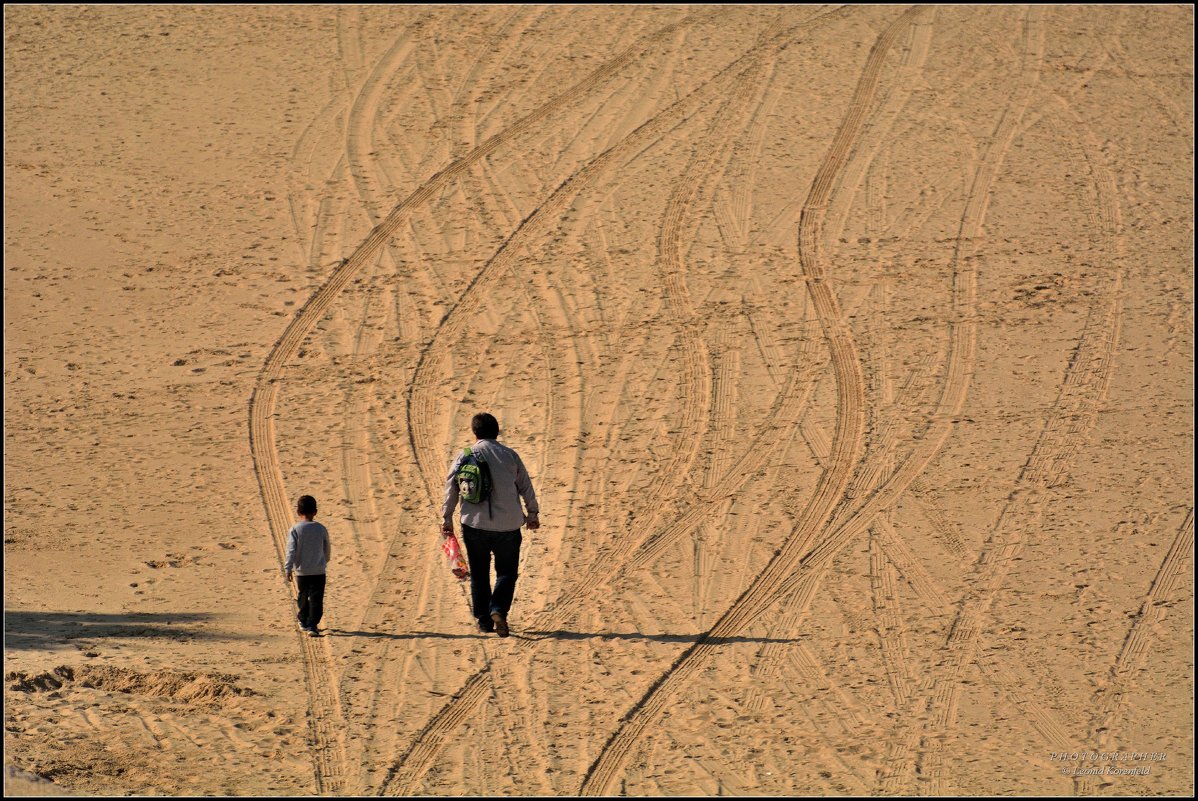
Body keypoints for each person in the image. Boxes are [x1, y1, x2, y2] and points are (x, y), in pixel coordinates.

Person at [442, 412, 539, 637]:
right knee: (506, 572)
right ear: (497, 432)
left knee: (479, 573)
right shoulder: (510, 455)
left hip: (474, 525)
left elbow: (451, 489)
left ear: (475, 432)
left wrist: (446, 519)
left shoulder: (464, 456)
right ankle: (498, 609)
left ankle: (484, 621)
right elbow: (526, 487)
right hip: (509, 525)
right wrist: (532, 514)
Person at [284, 494, 331, 637]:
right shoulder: (321, 528)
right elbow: (327, 548)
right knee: (317, 598)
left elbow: (291, 550)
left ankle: (303, 620)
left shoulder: (295, 529)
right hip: (318, 571)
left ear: (298, 512)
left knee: (302, 596)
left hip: (302, 572)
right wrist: (324, 561)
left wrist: (288, 568)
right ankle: (312, 625)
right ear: (315, 512)